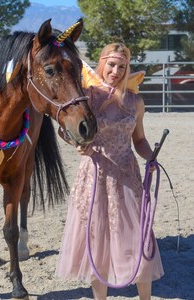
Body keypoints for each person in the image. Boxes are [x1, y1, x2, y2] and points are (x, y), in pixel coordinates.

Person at [56, 43, 164, 300]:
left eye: (122, 66)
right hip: (94, 175)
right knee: (97, 242)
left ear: (127, 69)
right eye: (112, 64)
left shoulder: (136, 102)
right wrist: (77, 144)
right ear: (102, 64)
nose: (115, 71)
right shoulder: (87, 96)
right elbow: (66, 128)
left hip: (128, 177)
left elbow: (139, 140)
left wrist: (152, 158)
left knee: (139, 239)